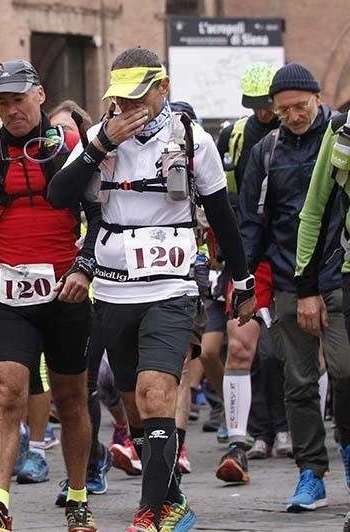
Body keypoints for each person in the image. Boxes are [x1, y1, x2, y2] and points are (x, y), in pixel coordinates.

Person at [47, 48, 256, 532]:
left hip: (172, 286)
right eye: (120, 97)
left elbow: (222, 216)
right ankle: (175, 502)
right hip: (114, 290)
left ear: (163, 89)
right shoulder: (101, 135)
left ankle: (153, 511)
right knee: (138, 408)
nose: (128, 106)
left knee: (156, 393)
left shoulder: (190, 138)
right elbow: (59, 196)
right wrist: (100, 145)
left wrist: (241, 282)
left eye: (138, 96)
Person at [0, 59, 98, 532]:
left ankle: (77, 498)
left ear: (40, 96)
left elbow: (99, 216)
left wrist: (86, 270)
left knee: (71, 400)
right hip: (8, 293)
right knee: (7, 391)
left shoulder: (74, 148)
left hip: (67, 293)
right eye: (3, 102)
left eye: (18, 99)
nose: (12, 110)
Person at [239, 63, 348, 512]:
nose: (293, 116)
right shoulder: (267, 150)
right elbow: (250, 221)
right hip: (287, 278)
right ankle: (311, 473)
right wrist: (245, 283)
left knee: (344, 373)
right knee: (299, 381)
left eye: (300, 107)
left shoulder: (340, 137)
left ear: (317, 98)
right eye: (283, 111)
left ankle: (346, 448)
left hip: (338, 275)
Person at [209, 62, 285, 483]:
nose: (264, 113)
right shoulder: (234, 136)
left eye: (268, 105)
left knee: (300, 352)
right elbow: (221, 198)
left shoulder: (310, 134)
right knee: (240, 349)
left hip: (291, 252)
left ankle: (292, 429)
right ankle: (241, 441)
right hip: (248, 253)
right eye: (256, 106)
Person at [295, 104, 350, 525]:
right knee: (346, 377)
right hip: (343, 275)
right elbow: (314, 209)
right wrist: (307, 287)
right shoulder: (342, 127)